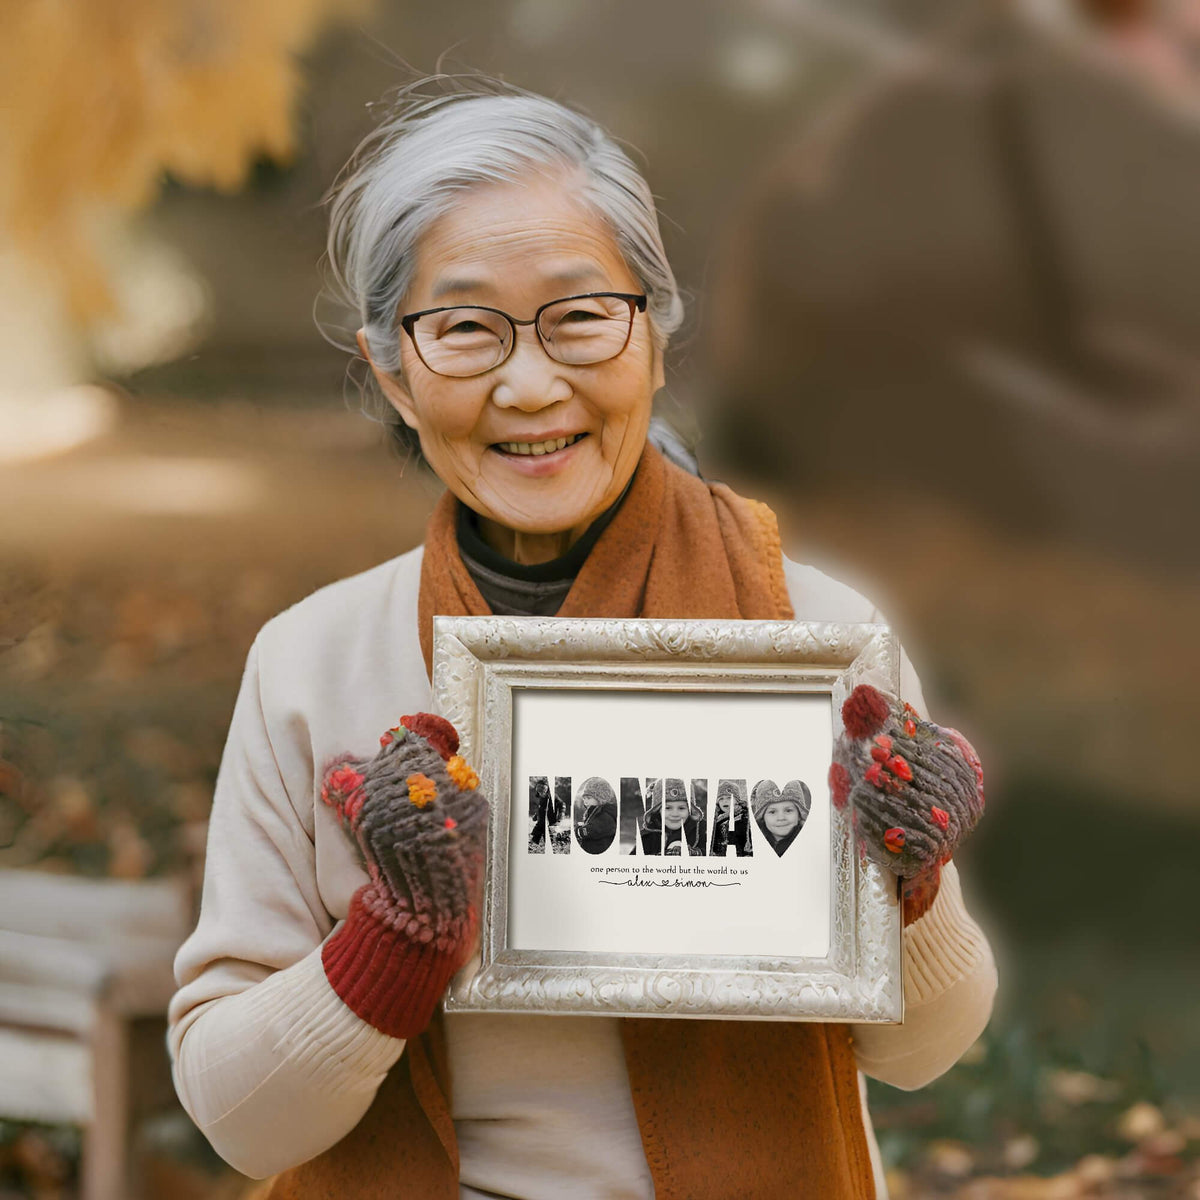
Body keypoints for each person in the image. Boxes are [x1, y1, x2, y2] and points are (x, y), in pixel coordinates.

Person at [167, 78, 997, 1200]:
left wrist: (916, 884)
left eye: (579, 316)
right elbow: (239, 1123)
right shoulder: (313, 666)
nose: (529, 381)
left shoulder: (815, 644)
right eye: (463, 328)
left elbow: (924, 1050)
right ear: (392, 371)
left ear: (652, 335)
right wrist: (394, 942)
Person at [636, 779, 706, 856]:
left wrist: (692, 853)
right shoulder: (649, 834)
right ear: (658, 810)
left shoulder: (701, 830)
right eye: (668, 808)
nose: (675, 814)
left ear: (690, 811)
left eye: (681, 808)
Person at [752, 780, 811, 857]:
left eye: (788, 810)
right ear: (763, 817)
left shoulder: (808, 846)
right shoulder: (753, 845)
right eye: (772, 812)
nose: (781, 818)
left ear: (799, 815)